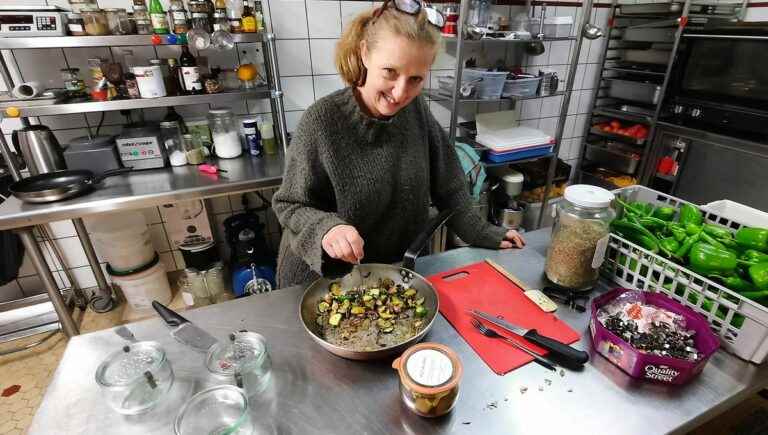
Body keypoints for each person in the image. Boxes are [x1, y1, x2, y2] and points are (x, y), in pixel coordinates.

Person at [272, 0, 525, 288]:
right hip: (319, 282)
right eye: (390, 72)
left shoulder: (415, 111)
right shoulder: (322, 121)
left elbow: (450, 187)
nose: (401, 92)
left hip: (391, 276)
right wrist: (326, 229)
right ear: (365, 53)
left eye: (415, 79)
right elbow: (289, 204)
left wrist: (482, 231)